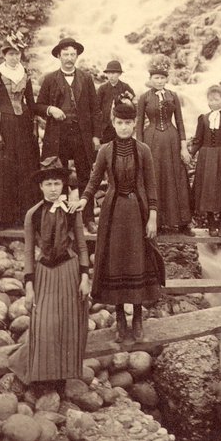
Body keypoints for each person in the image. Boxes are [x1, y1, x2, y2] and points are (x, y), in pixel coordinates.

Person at [82, 98, 165, 342]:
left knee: (138, 261)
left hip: (138, 213)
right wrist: (84, 201)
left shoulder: (144, 150)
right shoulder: (105, 151)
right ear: (113, 122)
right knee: (116, 262)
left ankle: (137, 318)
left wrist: (152, 216)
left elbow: (151, 185)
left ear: (135, 123)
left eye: (129, 123)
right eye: (120, 122)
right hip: (114, 213)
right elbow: (94, 180)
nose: (124, 127)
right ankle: (120, 319)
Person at [9, 157, 91, 383]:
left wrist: (85, 278)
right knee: (44, 324)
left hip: (70, 271)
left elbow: (82, 246)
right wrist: (28, 287)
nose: (53, 189)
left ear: (63, 185)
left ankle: (63, 376)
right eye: (48, 184)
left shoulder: (73, 211)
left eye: (57, 183)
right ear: (41, 186)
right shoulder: (33, 214)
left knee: (68, 324)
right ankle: (40, 376)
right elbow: (27, 253)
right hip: (45, 272)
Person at [0, 31, 39, 227]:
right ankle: (1, 217)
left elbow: (31, 103)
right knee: (5, 169)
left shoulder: (26, 74)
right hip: (4, 124)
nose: (14, 57)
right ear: (4, 55)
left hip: (23, 126)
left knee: (24, 167)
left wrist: (36, 124)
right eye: (10, 54)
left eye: (17, 53)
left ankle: (23, 216)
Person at [35, 37, 98, 197]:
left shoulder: (86, 78)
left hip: (81, 134)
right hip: (58, 134)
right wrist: (51, 109)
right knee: (58, 173)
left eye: (73, 55)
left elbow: (95, 110)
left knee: (85, 174)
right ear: (59, 56)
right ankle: (60, 215)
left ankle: (88, 218)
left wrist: (96, 136)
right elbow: (38, 106)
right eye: (66, 55)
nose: (69, 58)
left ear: (77, 56)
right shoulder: (49, 79)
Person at [138, 55, 192, 234]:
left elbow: (181, 122)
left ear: (166, 79)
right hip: (151, 140)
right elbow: (138, 126)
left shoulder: (173, 96)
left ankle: (183, 222)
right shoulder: (144, 98)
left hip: (171, 138)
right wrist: (138, 149)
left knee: (176, 176)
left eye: (162, 78)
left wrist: (184, 146)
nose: (159, 81)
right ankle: (158, 222)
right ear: (150, 79)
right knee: (156, 177)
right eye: (156, 78)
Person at [189, 84, 221, 236]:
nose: (212, 103)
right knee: (208, 190)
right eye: (210, 100)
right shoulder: (203, 119)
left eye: (216, 100)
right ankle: (211, 223)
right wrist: (189, 154)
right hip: (206, 158)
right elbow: (197, 140)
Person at [96, 60, 134, 144]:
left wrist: (128, 101)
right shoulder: (102, 88)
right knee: (106, 147)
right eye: (108, 73)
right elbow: (97, 107)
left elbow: (132, 104)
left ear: (119, 74)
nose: (111, 76)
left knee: (120, 146)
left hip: (120, 124)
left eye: (113, 73)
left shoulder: (125, 87)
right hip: (106, 125)